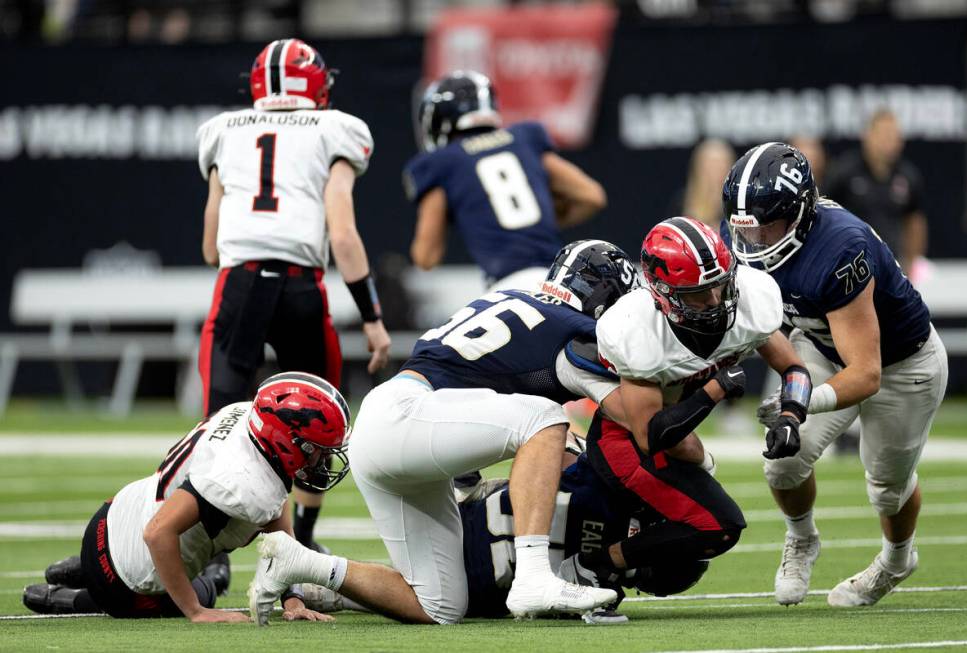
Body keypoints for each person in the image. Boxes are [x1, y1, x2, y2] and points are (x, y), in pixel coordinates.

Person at [247, 240, 645, 625]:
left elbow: (470, 391)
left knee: (439, 606)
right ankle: (534, 576)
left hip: (397, 424)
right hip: (408, 416)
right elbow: (636, 419)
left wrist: (469, 478)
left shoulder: (516, 300)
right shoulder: (571, 329)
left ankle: (300, 563)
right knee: (545, 418)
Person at [722, 142, 948, 607]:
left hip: (903, 365)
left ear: (801, 214)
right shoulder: (752, 241)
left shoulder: (839, 248)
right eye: (749, 228)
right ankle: (802, 538)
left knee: (886, 489)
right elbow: (766, 324)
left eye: (770, 225)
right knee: (783, 462)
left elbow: (865, 372)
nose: (758, 239)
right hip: (822, 342)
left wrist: (797, 402)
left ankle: (896, 559)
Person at [195, 38, 392, 551]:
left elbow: (211, 247)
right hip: (301, 286)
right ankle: (301, 540)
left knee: (219, 423)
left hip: (239, 285)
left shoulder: (223, 131)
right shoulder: (335, 129)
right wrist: (372, 318)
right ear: (317, 86)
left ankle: (211, 552)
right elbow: (343, 235)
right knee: (316, 419)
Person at [583, 216, 809, 592]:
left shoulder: (748, 303)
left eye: (720, 286)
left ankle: (613, 560)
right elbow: (651, 436)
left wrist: (791, 415)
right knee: (717, 527)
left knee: (682, 569)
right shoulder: (637, 329)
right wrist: (714, 390)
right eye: (698, 294)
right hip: (623, 443)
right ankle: (594, 567)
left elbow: (794, 368)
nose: (715, 301)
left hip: (673, 436)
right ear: (663, 293)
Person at [23, 372, 352, 623]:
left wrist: (291, 597)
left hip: (111, 515)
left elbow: (276, 519)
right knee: (210, 585)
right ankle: (71, 598)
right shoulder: (244, 482)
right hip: (125, 582)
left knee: (205, 538)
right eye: (319, 451)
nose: (324, 462)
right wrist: (196, 611)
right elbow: (157, 531)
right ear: (287, 440)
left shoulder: (245, 416)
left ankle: (84, 566)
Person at [290, 437, 725, 624]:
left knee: (545, 433)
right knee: (432, 602)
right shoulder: (602, 589)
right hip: (472, 584)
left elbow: (545, 450)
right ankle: (320, 582)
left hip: (461, 520)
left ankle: (313, 577)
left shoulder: (604, 488)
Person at [404, 70, 607, 291]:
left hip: (506, 286)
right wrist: (539, 221)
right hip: (555, 280)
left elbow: (425, 258)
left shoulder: (441, 162)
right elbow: (592, 196)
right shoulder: (524, 138)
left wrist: (480, 220)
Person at [822, 110, 928, 276]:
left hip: (891, 266)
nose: (889, 142)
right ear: (867, 136)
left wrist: (912, 261)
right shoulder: (843, 173)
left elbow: (914, 221)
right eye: (883, 135)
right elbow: (822, 216)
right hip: (848, 265)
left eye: (894, 136)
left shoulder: (908, 176)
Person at [670, 138, 736, 232]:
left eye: (722, 164)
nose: (717, 170)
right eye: (711, 164)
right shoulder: (682, 202)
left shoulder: (740, 202)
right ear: (698, 167)